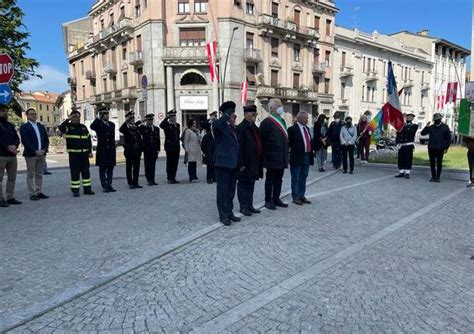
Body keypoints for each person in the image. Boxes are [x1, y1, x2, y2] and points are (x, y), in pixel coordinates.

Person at [213, 101, 240, 226]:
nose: (233, 116)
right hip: (222, 164)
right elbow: (217, 125)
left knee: (230, 190)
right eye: (232, 113)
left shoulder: (232, 127)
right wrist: (225, 115)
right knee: (222, 191)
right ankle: (223, 215)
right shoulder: (219, 125)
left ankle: (229, 212)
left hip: (233, 164)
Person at [259, 98, 289, 210]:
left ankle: (276, 198)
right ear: (272, 108)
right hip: (271, 157)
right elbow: (262, 140)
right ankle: (268, 200)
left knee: (279, 179)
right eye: (279, 105)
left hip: (281, 157)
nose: (281, 107)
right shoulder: (267, 122)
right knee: (270, 179)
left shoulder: (282, 120)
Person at [58, 110, 95, 197]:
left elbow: (88, 140)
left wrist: (90, 151)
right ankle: (75, 191)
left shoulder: (83, 127)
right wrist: (68, 119)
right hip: (74, 155)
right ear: (71, 118)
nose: (77, 119)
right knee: (75, 173)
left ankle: (87, 189)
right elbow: (61, 128)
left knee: (86, 173)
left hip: (84, 155)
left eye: (78, 117)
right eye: (75, 117)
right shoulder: (68, 127)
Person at [236, 104, 263, 216]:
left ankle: (249, 205)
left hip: (254, 162)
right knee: (243, 185)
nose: (255, 116)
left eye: (255, 114)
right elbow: (239, 148)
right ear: (247, 114)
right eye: (253, 114)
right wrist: (241, 163)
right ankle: (243, 206)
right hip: (245, 163)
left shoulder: (254, 128)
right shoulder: (241, 128)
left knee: (251, 184)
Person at [19, 108, 50, 200]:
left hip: (42, 153)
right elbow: (25, 141)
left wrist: (44, 149)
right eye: (31, 114)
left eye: (35, 114)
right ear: (27, 116)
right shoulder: (24, 127)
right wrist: (35, 151)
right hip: (31, 154)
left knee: (39, 174)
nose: (34, 115)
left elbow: (46, 139)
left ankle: (39, 191)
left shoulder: (40, 126)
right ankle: (32, 193)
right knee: (30, 174)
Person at [288, 111, 314, 205]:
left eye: (307, 118)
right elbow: (289, 144)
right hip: (297, 156)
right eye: (305, 118)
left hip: (306, 155)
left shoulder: (307, 128)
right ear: (299, 119)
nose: (307, 120)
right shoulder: (292, 129)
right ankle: (295, 197)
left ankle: (301, 195)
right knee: (296, 177)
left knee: (304, 176)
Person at [90, 106, 117, 192]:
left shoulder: (112, 124)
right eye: (105, 114)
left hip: (111, 150)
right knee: (102, 169)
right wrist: (98, 118)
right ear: (101, 115)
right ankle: (104, 185)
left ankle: (109, 185)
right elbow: (92, 126)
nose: (107, 115)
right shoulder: (98, 124)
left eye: (107, 113)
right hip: (103, 150)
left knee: (110, 169)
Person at [0, 105, 22, 207]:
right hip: (1, 155)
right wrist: (8, 147)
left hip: (12, 156)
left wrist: (15, 145)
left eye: (6, 111)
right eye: (3, 111)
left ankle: (10, 197)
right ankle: (0, 199)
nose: (6, 113)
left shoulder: (10, 125)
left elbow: (16, 138)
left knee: (12, 177)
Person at [420, 113, 451, 182]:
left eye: (438, 119)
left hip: (440, 148)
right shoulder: (431, 127)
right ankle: (433, 176)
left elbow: (448, 139)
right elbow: (422, 133)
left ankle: (438, 177)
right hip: (431, 147)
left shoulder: (445, 127)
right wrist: (426, 126)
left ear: (440, 119)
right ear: (434, 120)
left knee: (439, 163)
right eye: (436, 119)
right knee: (432, 163)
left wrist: (446, 148)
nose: (437, 120)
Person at [119, 111, 143, 189]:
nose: (133, 119)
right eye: (131, 118)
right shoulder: (126, 127)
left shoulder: (135, 127)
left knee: (136, 167)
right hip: (129, 150)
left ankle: (136, 182)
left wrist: (141, 148)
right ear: (128, 119)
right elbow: (121, 129)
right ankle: (130, 183)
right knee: (129, 167)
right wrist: (126, 120)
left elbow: (139, 138)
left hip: (137, 151)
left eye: (133, 118)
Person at [395, 112, 418, 179]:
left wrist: (403, 124)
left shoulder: (414, 126)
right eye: (408, 117)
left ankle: (407, 172)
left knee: (408, 159)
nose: (409, 118)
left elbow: (410, 132)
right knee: (401, 159)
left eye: (411, 117)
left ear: (413, 118)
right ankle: (401, 172)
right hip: (401, 145)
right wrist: (397, 143)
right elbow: (398, 135)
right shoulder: (401, 125)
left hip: (408, 145)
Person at [159, 109, 181, 184]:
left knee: (175, 163)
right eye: (172, 116)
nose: (174, 118)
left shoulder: (177, 125)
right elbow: (161, 125)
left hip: (176, 146)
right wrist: (166, 118)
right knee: (170, 162)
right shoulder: (167, 125)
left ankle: (173, 177)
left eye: (174, 116)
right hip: (170, 147)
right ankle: (169, 177)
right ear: (170, 117)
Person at [139, 114, 160, 186]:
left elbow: (158, 140)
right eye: (149, 120)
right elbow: (136, 126)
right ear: (146, 121)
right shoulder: (143, 128)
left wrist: (158, 149)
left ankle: (153, 179)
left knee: (153, 165)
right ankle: (149, 179)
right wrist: (142, 121)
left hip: (154, 150)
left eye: (151, 120)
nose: (150, 121)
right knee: (147, 165)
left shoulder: (156, 128)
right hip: (147, 149)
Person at [183, 118, 201, 182]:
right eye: (193, 123)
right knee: (191, 163)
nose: (195, 124)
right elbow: (185, 140)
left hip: (196, 149)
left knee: (194, 163)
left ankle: (195, 175)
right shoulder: (188, 131)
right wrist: (186, 149)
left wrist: (198, 133)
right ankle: (191, 177)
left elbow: (199, 139)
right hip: (190, 149)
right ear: (190, 124)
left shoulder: (196, 131)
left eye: (195, 123)